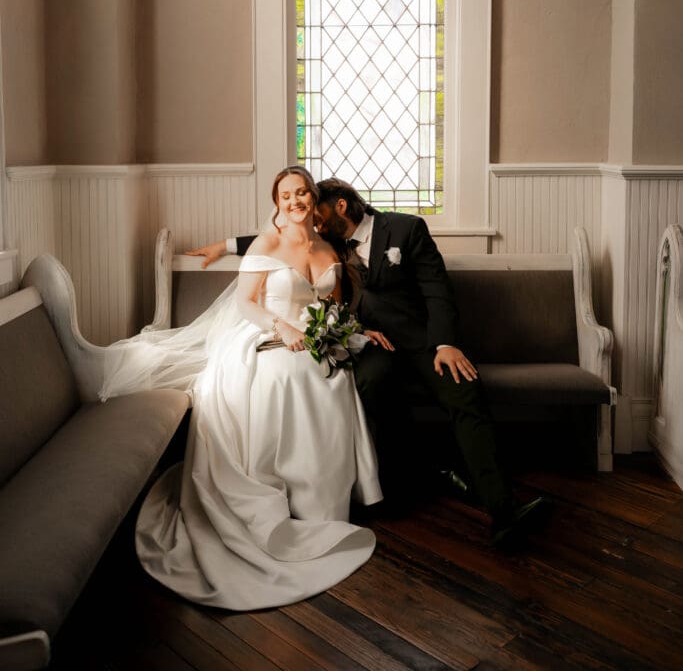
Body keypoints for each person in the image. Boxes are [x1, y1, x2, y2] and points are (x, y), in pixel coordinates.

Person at [194, 177, 549, 545]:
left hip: (423, 344)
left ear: (340, 207)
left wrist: (445, 343)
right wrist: (223, 246)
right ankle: (400, 484)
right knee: (364, 385)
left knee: (464, 389)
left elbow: (437, 290)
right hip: (369, 342)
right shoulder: (326, 240)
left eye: (318, 212)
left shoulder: (406, 228)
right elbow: (276, 242)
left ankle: (503, 510)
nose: (312, 220)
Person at [100, 167, 382, 610]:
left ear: (314, 198)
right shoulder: (267, 244)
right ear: (277, 202)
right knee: (288, 377)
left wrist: (342, 330)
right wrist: (281, 325)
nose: (295, 201)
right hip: (265, 335)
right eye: (285, 195)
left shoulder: (330, 248)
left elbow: (335, 305)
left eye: (302, 193)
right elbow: (245, 303)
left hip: (315, 341)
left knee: (331, 376)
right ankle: (276, 493)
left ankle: (321, 504)